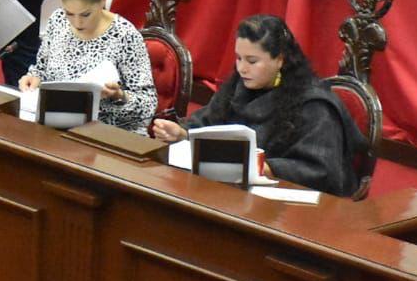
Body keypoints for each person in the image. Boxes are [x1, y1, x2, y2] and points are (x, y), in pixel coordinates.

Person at [152, 14, 366, 196]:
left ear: (280, 60)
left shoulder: (315, 105)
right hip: (228, 192)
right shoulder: (239, 83)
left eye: (252, 61)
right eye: (238, 58)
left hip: (289, 210)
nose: (242, 68)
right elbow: (208, 123)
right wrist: (182, 133)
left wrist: (267, 167)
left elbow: (322, 170)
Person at [19, 0, 157, 134]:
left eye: (85, 14)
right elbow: (41, 69)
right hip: (57, 124)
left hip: (108, 132)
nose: (77, 23)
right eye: (69, 13)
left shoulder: (125, 35)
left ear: (102, 0)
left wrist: (119, 96)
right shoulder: (57, 21)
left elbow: (148, 106)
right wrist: (33, 78)